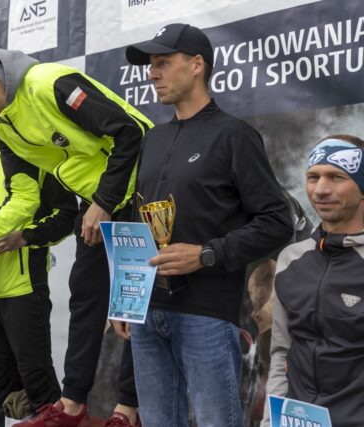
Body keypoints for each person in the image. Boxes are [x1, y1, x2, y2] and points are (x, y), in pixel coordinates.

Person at [0, 49, 153, 427]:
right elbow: (26, 199)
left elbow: (130, 132)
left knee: (134, 302)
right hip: (102, 200)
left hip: (144, 188)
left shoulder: (50, 84)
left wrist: (104, 201)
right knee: (86, 293)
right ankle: (72, 403)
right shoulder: (0, 126)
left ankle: (127, 409)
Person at [123, 23, 293, 426]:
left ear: (196, 65)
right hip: (146, 311)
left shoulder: (234, 135)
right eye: (150, 64)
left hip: (206, 314)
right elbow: (139, 218)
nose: (152, 73)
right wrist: (124, 296)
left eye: (163, 63)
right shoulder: (154, 138)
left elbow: (276, 222)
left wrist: (206, 254)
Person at [0, 139, 77, 426]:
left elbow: (68, 217)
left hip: (22, 289)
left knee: (40, 389)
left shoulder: (36, 147)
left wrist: (26, 237)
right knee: (2, 393)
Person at [262, 135, 364, 427]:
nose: (320, 189)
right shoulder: (291, 260)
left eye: (336, 177)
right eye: (313, 177)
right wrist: (270, 421)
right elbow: (282, 353)